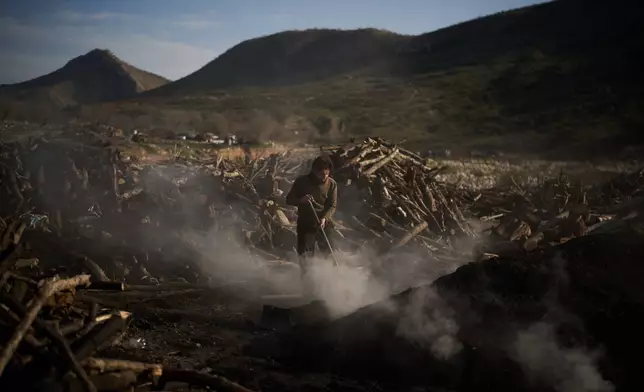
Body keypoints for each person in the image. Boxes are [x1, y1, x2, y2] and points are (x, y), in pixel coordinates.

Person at [285, 155, 338, 280]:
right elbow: (289, 200)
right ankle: (307, 283)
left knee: (328, 254)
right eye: (321, 174)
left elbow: (332, 205)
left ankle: (332, 281)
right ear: (314, 171)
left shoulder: (332, 184)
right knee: (306, 257)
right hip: (306, 223)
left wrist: (325, 218)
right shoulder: (301, 182)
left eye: (327, 173)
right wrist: (301, 200)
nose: (324, 177)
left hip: (324, 223)